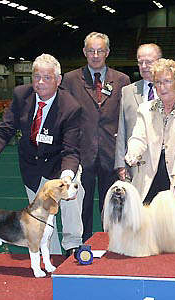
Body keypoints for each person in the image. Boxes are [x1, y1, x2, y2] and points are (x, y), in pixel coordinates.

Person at [0, 54, 83, 256]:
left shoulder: (71, 107)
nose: (40, 82)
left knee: (70, 203)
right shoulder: (21, 95)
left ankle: (72, 247)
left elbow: (71, 150)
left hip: (61, 165)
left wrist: (65, 180)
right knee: (39, 221)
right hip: (32, 168)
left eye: (47, 77)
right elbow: (4, 129)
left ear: (58, 80)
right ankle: (49, 257)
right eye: (36, 77)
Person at [61, 32, 130, 242]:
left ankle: (115, 245)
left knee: (113, 206)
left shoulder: (122, 80)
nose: (95, 55)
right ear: (84, 52)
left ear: (107, 52)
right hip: (81, 154)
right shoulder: (70, 79)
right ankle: (81, 247)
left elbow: (126, 119)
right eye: (91, 51)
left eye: (100, 50)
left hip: (112, 154)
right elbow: (64, 116)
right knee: (81, 206)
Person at [125, 58, 175, 204]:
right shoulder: (144, 109)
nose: (162, 87)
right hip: (150, 176)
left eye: (167, 81)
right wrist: (133, 152)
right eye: (158, 82)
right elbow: (138, 137)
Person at [114, 43, 175, 181]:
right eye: (140, 62)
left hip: (170, 167)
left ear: (159, 62)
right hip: (137, 167)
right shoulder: (127, 91)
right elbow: (122, 130)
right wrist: (121, 164)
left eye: (148, 62)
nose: (143, 66)